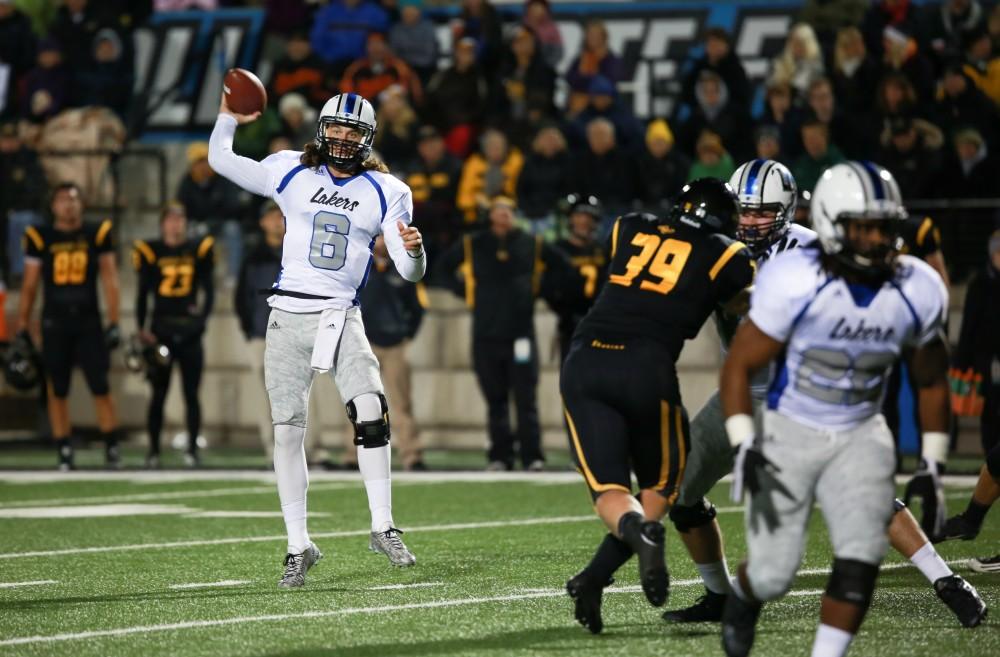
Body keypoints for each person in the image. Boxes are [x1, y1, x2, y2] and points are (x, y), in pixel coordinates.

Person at [661, 161, 981, 631]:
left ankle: (946, 580)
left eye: (762, 212)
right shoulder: (716, 249)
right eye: (744, 211)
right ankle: (718, 595)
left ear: (788, 209)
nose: (749, 221)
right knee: (682, 493)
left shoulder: (813, 251)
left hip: (805, 395)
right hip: (743, 393)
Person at [207, 90, 426, 586]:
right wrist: (227, 116)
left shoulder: (388, 189)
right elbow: (220, 159)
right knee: (287, 429)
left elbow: (411, 271)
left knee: (371, 409)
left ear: (368, 138)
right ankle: (297, 544)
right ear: (322, 128)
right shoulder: (291, 169)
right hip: (286, 315)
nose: (344, 138)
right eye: (337, 128)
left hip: (341, 315)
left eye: (354, 131)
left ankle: (382, 523)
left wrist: (415, 251)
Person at [561, 178, 755, 635]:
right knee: (662, 487)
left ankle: (593, 577)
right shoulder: (726, 253)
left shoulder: (630, 227)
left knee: (609, 490)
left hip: (584, 359)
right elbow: (740, 303)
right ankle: (634, 542)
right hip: (645, 363)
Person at [437, 196, 574, 471]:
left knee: (526, 398)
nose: (505, 215)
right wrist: (466, 291)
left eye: (510, 210)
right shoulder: (472, 243)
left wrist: (541, 289)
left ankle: (532, 455)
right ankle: (500, 456)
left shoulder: (530, 243)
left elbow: (564, 267)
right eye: (500, 210)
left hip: (520, 334)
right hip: (486, 333)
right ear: (491, 215)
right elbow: (441, 270)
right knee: (495, 399)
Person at [16, 182, 122, 470]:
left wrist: (114, 321)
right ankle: (63, 446)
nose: (69, 205)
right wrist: (23, 325)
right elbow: (29, 285)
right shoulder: (41, 236)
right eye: (62, 200)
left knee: (100, 385)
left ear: (82, 204)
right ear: (53, 206)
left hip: (88, 319)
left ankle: (111, 445)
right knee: (57, 388)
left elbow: (110, 279)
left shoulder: (95, 233)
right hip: (55, 321)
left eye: (74, 199)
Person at [133, 202, 215, 469]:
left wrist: (201, 321)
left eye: (180, 219)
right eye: (170, 219)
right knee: (159, 393)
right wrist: (141, 327)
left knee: (191, 394)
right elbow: (143, 293)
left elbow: (209, 291)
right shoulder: (151, 251)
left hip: (189, 329)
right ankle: (154, 450)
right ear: (162, 223)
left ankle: (192, 448)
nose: (175, 224)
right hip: (162, 329)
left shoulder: (198, 249)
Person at [343, 235, 427, 471]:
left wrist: (406, 334)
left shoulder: (403, 269)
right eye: (378, 237)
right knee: (357, 400)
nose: (381, 242)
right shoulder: (357, 266)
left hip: (395, 345)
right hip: (363, 342)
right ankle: (352, 454)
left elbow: (419, 307)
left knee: (401, 403)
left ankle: (411, 454)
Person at [235, 202, 285, 462]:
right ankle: (272, 449)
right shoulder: (253, 256)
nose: (278, 221)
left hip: (293, 335)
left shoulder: (297, 251)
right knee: (264, 394)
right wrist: (249, 330)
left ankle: (313, 448)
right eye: (272, 216)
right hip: (261, 334)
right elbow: (241, 297)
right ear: (263, 222)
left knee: (302, 393)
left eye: (281, 215)